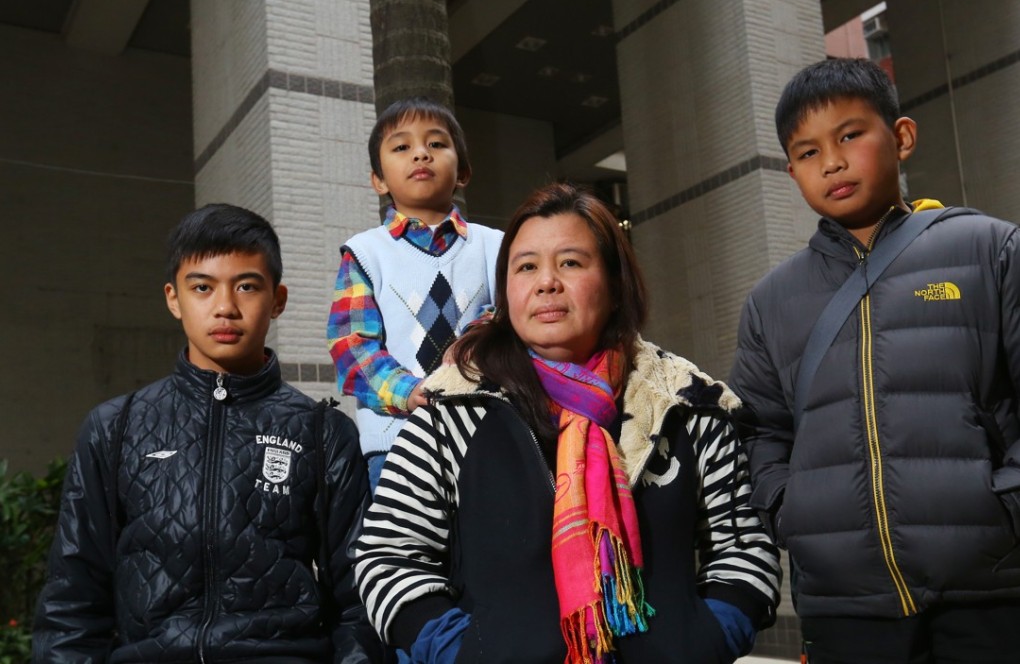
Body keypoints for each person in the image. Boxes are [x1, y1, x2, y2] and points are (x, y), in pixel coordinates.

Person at [355, 182, 781, 663]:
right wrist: (463, 652)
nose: (546, 282)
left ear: (616, 285)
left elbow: (743, 547)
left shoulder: (687, 404)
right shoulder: (451, 410)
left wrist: (707, 638)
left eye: (571, 263)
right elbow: (388, 556)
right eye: (526, 266)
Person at [729, 57, 1020, 663]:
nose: (831, 162)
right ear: (791, 172)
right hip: (844, 606)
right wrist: (794, 512)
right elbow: (759, 433)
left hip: (990, 592)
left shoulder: (990, 249)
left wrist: (1005, 508)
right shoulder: (771, 301)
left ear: (902, 137)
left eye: (850, 135)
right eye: (807, 153)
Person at [34, 204, 382, 663]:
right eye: (202, 287)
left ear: (277, 299)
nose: (225, 307)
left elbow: (359, 603)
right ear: (173, 298)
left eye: (246, 286)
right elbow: (72, 599)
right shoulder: (114, 426)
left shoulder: (323, 432)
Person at [326, 96, 502, 492]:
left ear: (464, 172)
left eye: (436, 144)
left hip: (488, 438)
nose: (421, 153)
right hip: (395, 445)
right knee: (404, 552)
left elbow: (515, 318)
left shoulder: (496, 247)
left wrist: (482, 332)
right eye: (402, 147)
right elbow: (351, 345)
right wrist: (409, 392)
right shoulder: (365, 252)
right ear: (379, 180)